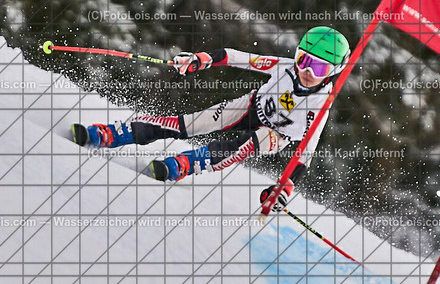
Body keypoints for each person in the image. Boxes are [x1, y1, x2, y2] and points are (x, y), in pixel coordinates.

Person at [72, 26, 350, 211]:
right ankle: (115, 133)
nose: (307, 72)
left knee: (250, 143)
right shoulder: (284, 67)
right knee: (190, 124)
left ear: (333, 71)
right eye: (304, 60)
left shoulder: (320, 104)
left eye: (319, 68)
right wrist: (201, 59)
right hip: (252, 106)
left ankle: (188, 163)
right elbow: (236, 57)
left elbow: (305, 153)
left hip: (278, 135)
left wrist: (284, 188)